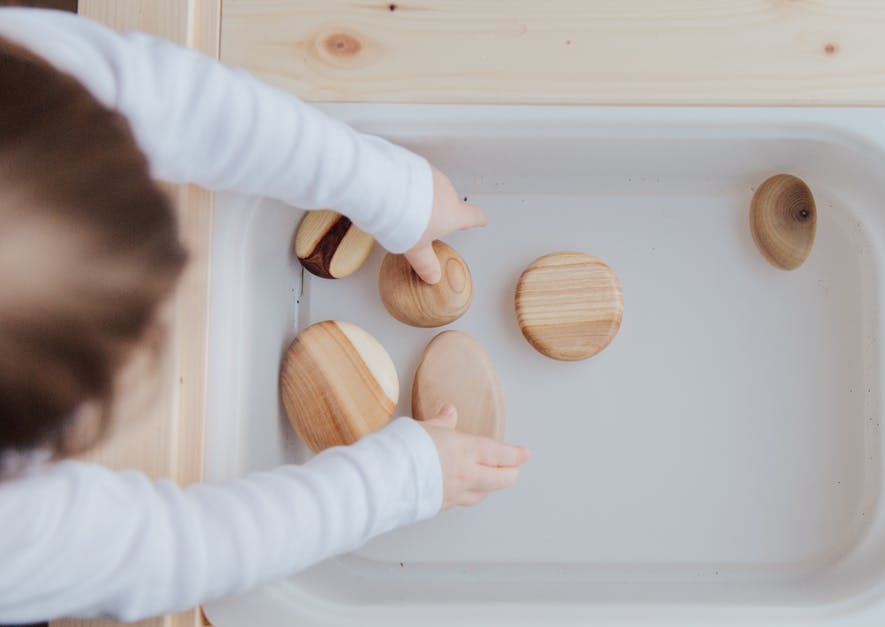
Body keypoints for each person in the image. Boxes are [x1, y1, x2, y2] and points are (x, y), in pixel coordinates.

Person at [0, 7, 531, 623]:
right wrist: (398, 483)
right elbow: (183, 553)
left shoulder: (30, 75)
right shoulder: (16, 539)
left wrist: (388, 188)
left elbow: (182, 105)